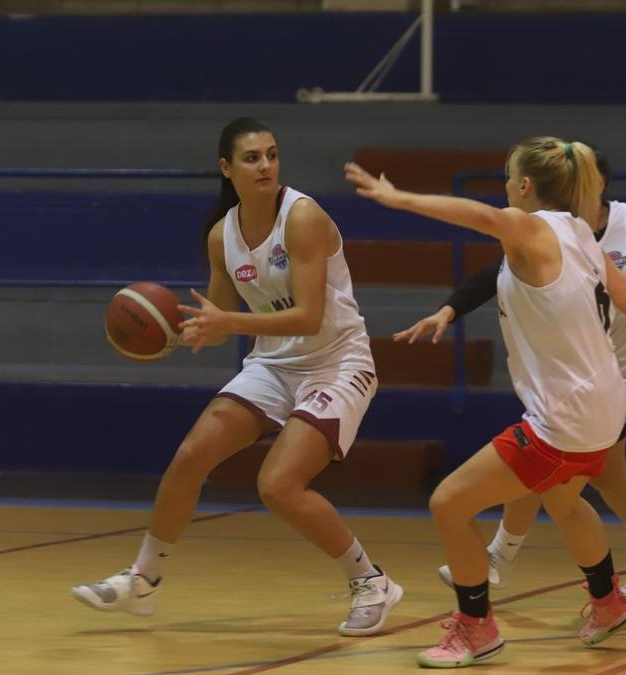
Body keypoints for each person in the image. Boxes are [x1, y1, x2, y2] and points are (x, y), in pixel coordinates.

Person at [345, 137, 626, 668]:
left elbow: (479, 215)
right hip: (607, 409)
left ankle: (476, 628)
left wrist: (398, 198)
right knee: (565, 501)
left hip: (565, 418)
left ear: (525, 186)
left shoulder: (531, 226)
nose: (505, 189)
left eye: (508, 179)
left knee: (448, 504)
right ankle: (609, 603)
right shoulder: (581, 235)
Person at [71, 117, 403, 637]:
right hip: (273, 362)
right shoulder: (220, 236)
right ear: (227, 169)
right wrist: (170, 332)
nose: (266, 165)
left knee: (277, 485)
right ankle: (143, 579)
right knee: (190, 456)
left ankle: (372, 581)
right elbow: (220, 317)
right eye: (252, 158)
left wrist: (230, 323)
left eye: (272, 154)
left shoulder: (303, 217)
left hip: (337, 363)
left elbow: (309, 317)